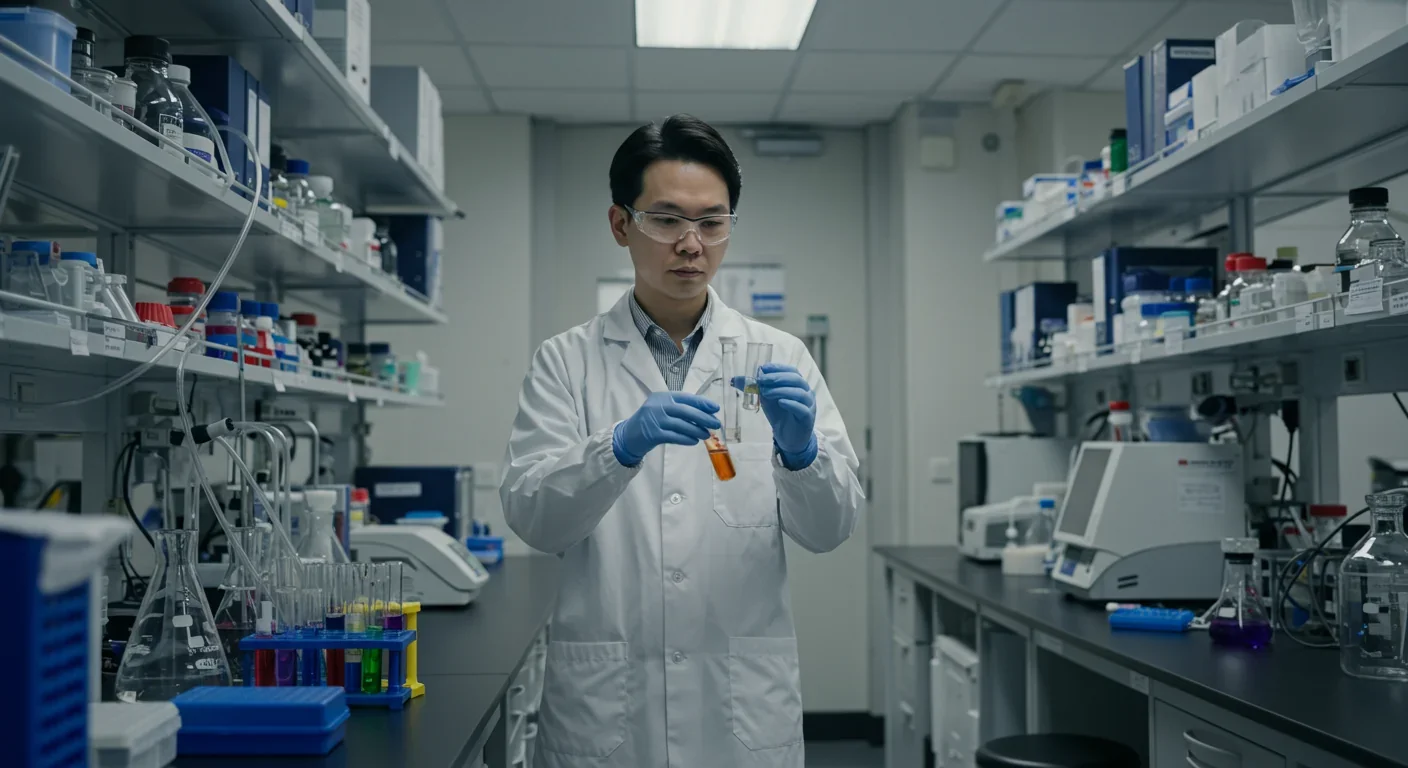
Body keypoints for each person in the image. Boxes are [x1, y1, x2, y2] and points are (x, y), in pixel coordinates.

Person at [500, 114, 864, 768]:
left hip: (739, 711)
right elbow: (535, 519)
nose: (691, 244)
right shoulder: (565, 362)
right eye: (666, 220)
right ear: (621, 225)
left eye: (711, 222)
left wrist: (803, 455)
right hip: (608, 707)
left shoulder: (780, 355)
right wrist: (617, 448)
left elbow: (831, 528)